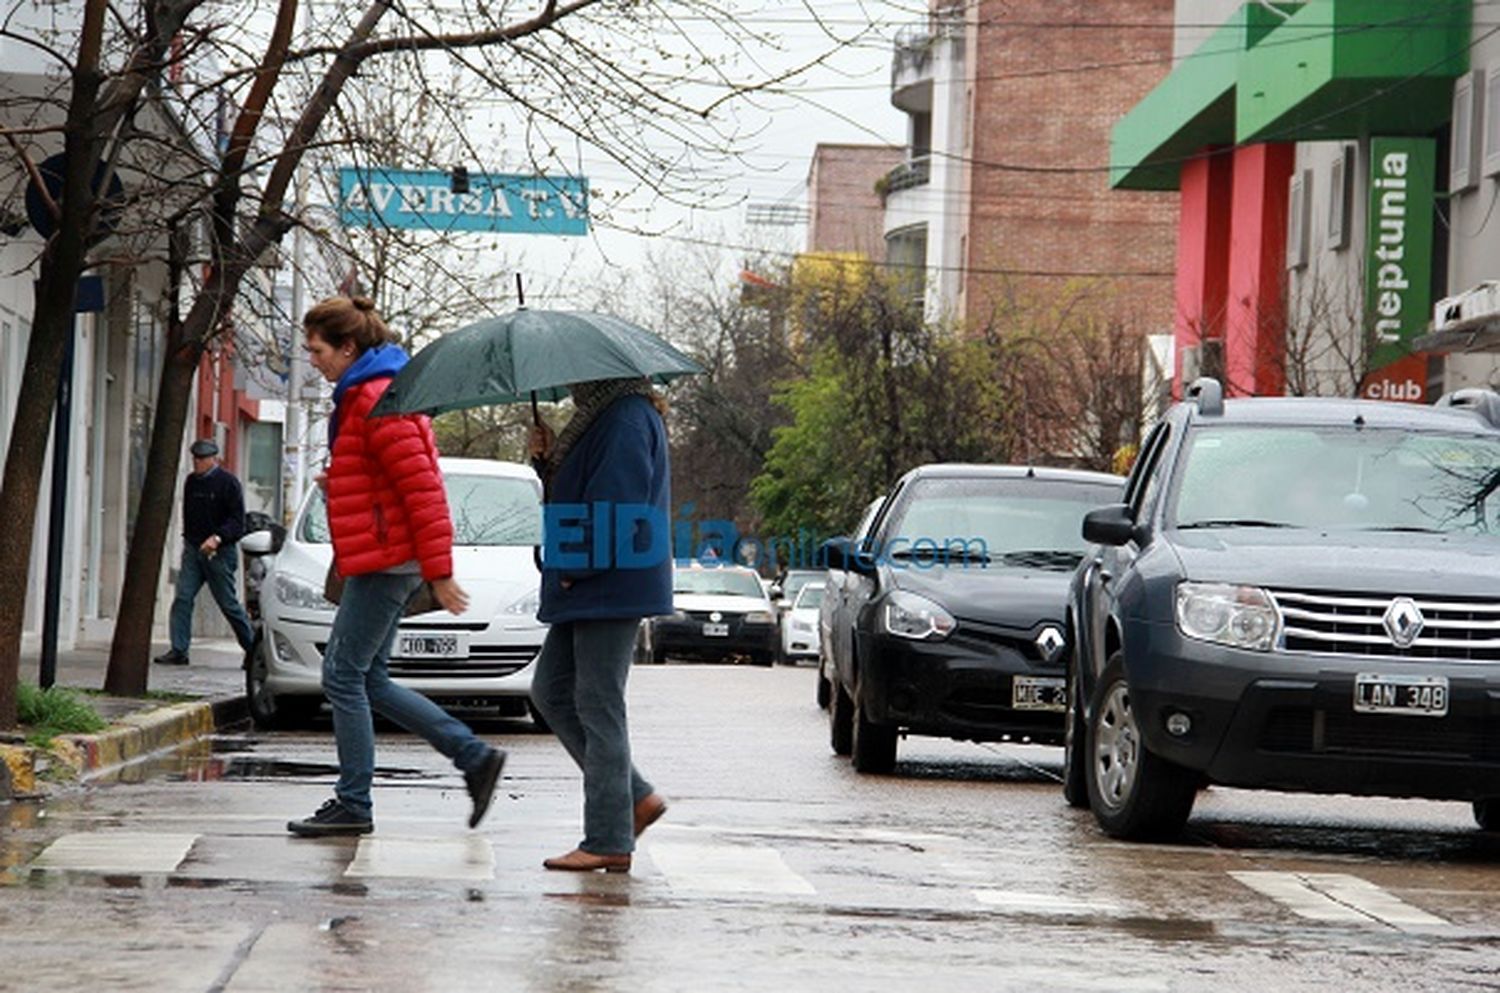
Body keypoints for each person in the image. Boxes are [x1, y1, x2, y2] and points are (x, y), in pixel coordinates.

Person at [286, 296, 505, 838]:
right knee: (371, 678)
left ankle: (355, 801)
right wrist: (340, 484)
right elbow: (385, 479)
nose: (313, 361)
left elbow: (424, 488)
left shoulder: (375, 397)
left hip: (389, 561)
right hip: (384, 554)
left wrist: (439, 572)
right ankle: (472, 756)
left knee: (341, 674)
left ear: (348, 347)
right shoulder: (372, 393)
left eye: (318, 351)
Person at [529, 378, 672, 873]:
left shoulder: (625, 417)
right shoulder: (602, 417)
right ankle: (635, 797)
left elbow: (617, 508)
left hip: (608, 581)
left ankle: (609, 837)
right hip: (593, 579)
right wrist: (545, 463)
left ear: (600, 373)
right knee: (552, 691)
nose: (566, 382)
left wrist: (574, 568)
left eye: (573, 374)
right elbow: (580, 494)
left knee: (598, 703)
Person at [154, 439, 256, 666]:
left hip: (219, 551)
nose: (197, 463)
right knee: (182, 597)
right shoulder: (191, 482)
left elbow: (237, 522)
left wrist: (218, 538)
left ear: (213, 459)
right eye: (195, 459)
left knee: (228, 603)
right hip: (193, 548)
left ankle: (253, 649)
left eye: (201, 459)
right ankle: (179, 650)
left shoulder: (228, 483)